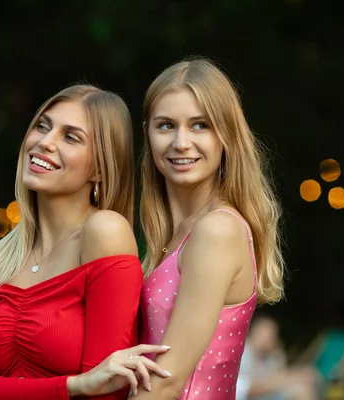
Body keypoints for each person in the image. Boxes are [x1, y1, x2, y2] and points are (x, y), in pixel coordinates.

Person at [0, 84, 171, 400]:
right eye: (42, 126)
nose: (44, 142)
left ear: (99, 169)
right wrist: (74, 386)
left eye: (71, 137)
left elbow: (109, 389)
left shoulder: (105, 232)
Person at [126, 58, 285, 399]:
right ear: (147, 133)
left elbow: (167, 380)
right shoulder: (177, 232)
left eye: (200, 125)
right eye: (166, 125)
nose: (181, 142)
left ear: (226, 133)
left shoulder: (217, 230)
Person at [236, 315, 318, 400]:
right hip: (248, 397)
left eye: (273, 336)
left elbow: (278, 374)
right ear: (255, 333)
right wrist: (290, 379)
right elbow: (249, 389)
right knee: (300, 390)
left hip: (265, 395)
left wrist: (298, 374)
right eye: (268, 335)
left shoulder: (267, 356)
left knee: (302, 386)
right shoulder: (242, 354)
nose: (271, 339)